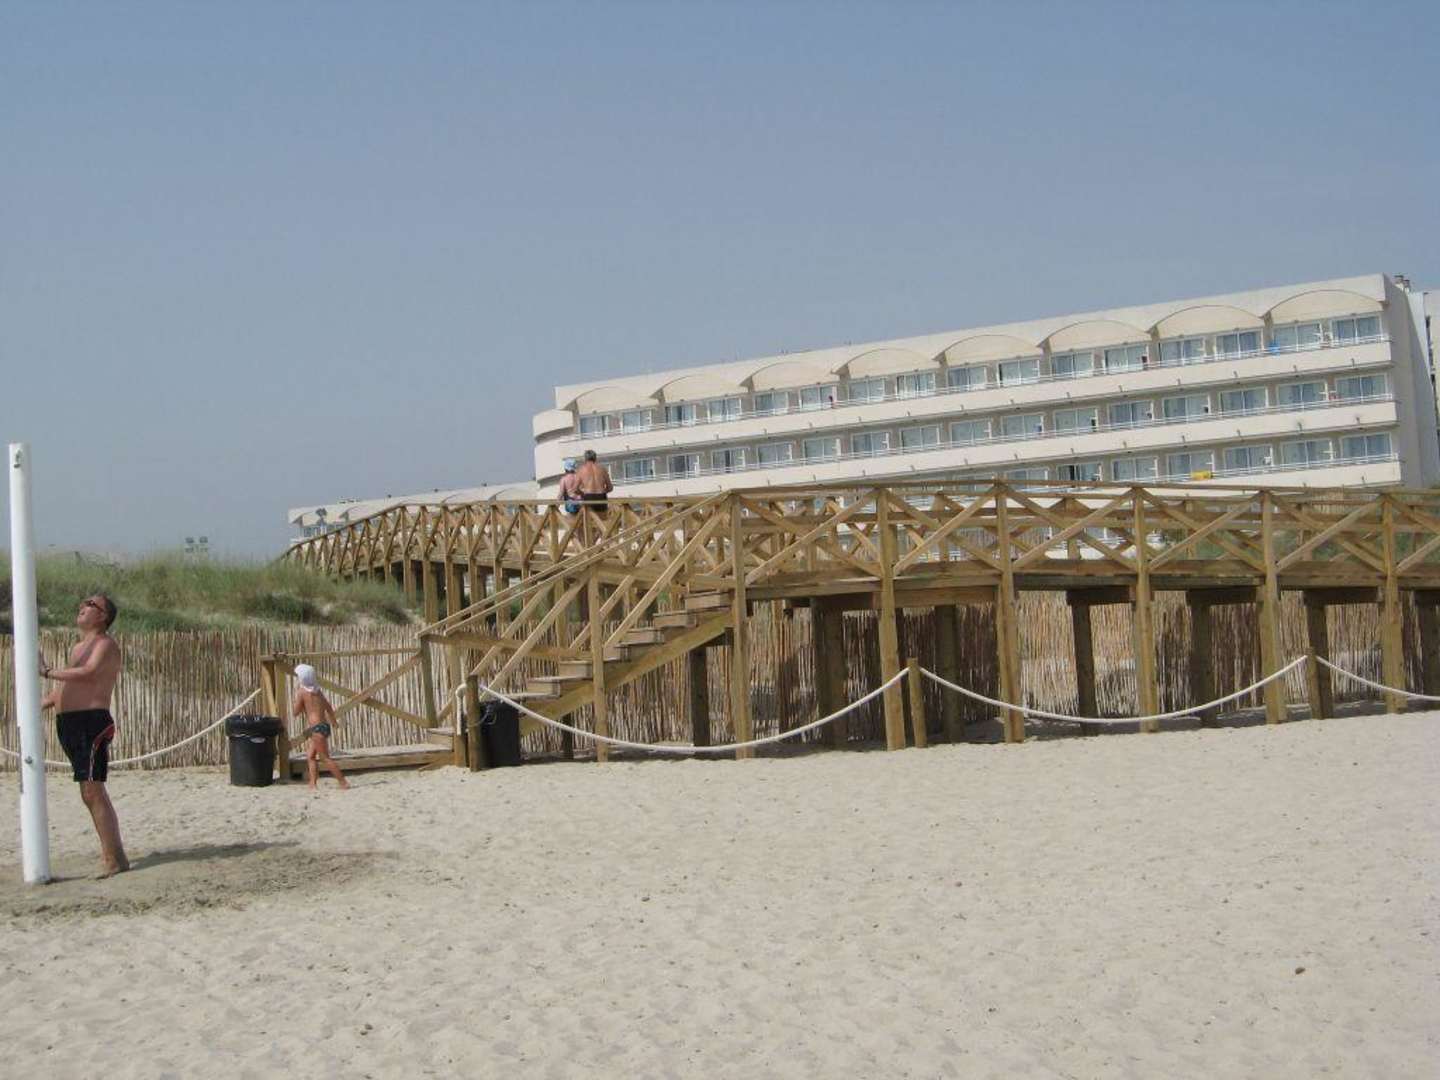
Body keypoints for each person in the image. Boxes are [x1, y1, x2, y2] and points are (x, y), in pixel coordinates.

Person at [40, 594, 129, 877]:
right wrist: (41, 703)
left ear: (103, 616)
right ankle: (116, 856)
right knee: (88, 792)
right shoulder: (79, 647)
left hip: (91, 723)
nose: (82, 606)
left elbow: (88, 674)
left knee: (92, 790)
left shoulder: (105, 644)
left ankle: (113, 859)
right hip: (70, 724)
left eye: (90, 604)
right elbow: (68, 688)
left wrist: (47, 671)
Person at [292, 664, 349, 790]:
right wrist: (334, 722)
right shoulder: (318, 691)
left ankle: (343, 782)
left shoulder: (302, 692)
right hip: (323, 726)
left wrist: (298, 702)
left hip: (316, 728)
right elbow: (328, 707)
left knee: (325, 758)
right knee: (311, 756)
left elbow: (295, 712)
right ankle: (312, 784)